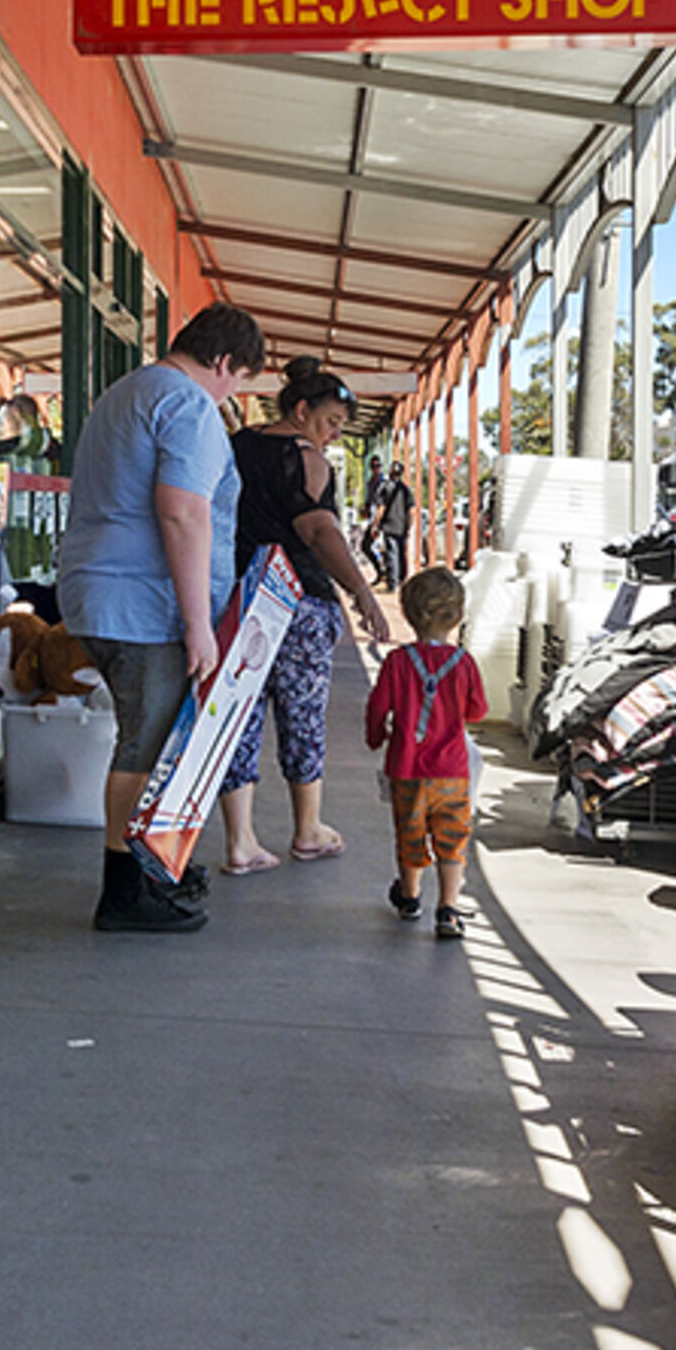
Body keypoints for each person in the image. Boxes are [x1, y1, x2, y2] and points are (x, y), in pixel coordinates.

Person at [56, 301, 267, 933]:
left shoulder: (128, 391)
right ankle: (124, 893)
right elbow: (183, 512)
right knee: (144, 749)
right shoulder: (189, 405)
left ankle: (149, 872)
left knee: (145, 743)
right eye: (237, 381)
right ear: (224, 362)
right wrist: (199, 621)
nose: (232, 396)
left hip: (100, 591)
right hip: (143, 606)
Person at [213, 359, 390, 874]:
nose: (335, 434)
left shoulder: (238, 444)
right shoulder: (306, 458)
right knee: (303, 714)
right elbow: (317, 531)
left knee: (240, 714)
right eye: (331, 420)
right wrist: (361, 591)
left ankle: (240, 842)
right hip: (298, 600)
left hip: (241, 595)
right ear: (301, 410)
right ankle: (307, 829)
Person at [365, 565, 487, 940]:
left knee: (411, 833)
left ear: (407, 613)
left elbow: (377, 707)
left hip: (406, 767)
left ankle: (410, 897)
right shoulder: (463, 662)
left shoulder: (397, 662)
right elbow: (478, 710)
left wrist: (375, 737)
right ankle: (448, 909)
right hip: (452, 769)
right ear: (459, 617)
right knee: (452, 838)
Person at [372, 457, 413, 588]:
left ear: (390, 472)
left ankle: (393, 582)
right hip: (401, 526)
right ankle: (402, 578)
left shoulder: (385, 487)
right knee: (401, 553)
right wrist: (408, 526)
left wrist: (375, 525)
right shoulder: (405, 489)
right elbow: (411, 510)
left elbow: (381, 508)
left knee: (392, 554)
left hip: (389, 525)